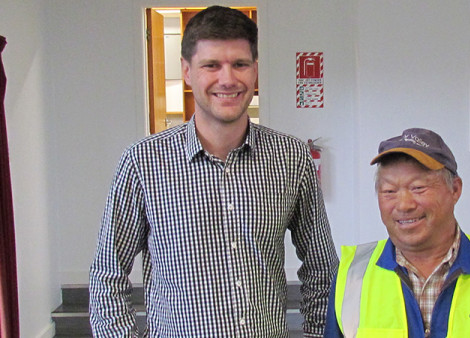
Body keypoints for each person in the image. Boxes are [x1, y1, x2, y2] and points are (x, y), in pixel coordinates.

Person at [89, 6, 338, 337]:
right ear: (187, 71)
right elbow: (108, 273)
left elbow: (321, 267)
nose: (228, 79)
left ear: (255, 70)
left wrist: (318, 333)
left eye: (239, 64)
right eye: (211, 65)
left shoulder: (291, 158)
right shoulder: (143, 162)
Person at [324, 128, 470, 337]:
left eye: (418, 188)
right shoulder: (353, 277)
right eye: (389, 191)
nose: (404, 204)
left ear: (455, 189)